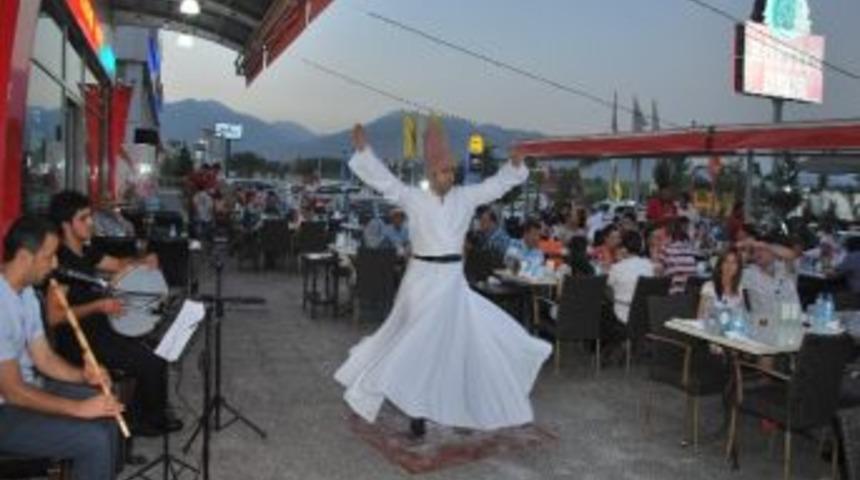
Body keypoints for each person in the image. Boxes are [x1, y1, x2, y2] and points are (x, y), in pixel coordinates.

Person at [334, 122, 551, 436]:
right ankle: (416, 411)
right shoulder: (413, 198)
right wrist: (364, 152)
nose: (446, 177)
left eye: (450, 172)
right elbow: (386, 182)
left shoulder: (466, 197)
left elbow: (495, 186)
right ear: (430, 173)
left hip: (451, 282)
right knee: (416, 346)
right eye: (440, 172)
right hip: (420, 281)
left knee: (453, 346)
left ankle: (458, 404)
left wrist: (514, 166)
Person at [46, 191, 180, 437]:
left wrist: (144, 260)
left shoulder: (86, 252)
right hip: (79, 341)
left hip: (101, 329)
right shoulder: (62, 262)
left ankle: (140, 414)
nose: (91, 223)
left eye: (90, 217)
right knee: (152, 361)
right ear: (66, 224)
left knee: (154, 347)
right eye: (84, 218)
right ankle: (145, 421)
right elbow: (54, 317)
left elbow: (119, 264)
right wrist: (97, 306)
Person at [0, 215, 123, 480]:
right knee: (94, 439)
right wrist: (78, 408)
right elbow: (12, 392)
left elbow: (43, 357)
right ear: (24, 257)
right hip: (6, 409)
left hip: (27, 390)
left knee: (107, 409)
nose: (54, 264)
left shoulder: (27, 293)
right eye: (48, 256)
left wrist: (84, 375)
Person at [739, 234, 800, 322]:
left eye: (762, 250)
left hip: (791, 320)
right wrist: (747, 246)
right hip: (764, 323)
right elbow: (733, 258)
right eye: (755, 251)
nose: (758, 254)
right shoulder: (749, 273)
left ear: (774, 252)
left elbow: (792, 255)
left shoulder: (784, 268)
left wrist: (766, 245)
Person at [608, 230, 655, 326]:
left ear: (624, 249)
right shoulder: (649, 265)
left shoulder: (617, 268)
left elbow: (607, 286)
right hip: (645, 315)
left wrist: (619, 261)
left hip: (622, 314)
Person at [697, 248, 744, 319]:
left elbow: (742, 316)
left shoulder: (740, 290)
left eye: (734, 263)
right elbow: (701, 316)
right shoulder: (709, 287)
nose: (729, 266)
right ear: (720, 265)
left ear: (738, 268)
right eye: (726, 262)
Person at [657, 219, 699, 295]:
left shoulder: (666, 249)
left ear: (667, 235)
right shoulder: (689, 249)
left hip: (673, 296)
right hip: (689, 297)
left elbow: (657, 275)